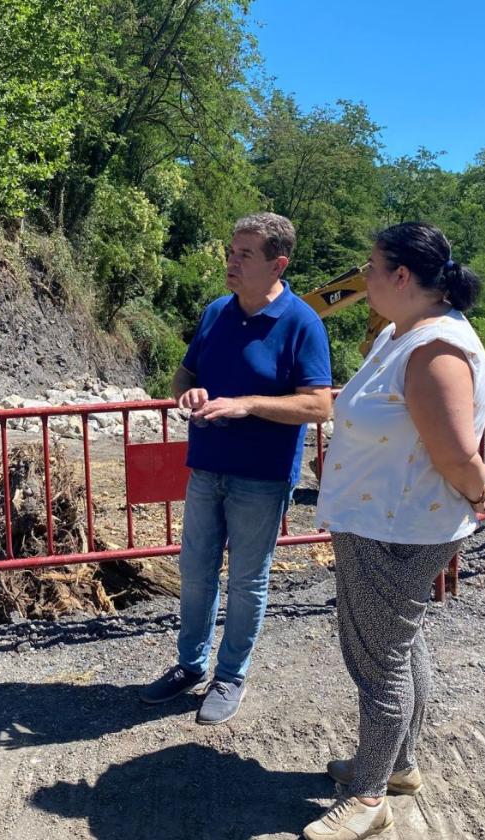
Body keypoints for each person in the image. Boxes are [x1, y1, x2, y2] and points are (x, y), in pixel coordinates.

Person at [304, 222, 485, 840]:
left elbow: (456, 455)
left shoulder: (433, 351)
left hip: (397, 527)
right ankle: (398, 765)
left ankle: (368, 797)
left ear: (402, 277)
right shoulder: (402, 333)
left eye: (370, 267)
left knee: (376, 658)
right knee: (400, 644)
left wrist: (479, 495)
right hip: (387, 517)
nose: (363, 279)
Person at [138, 212, 333, 724]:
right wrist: (190, 393)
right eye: (231, 251)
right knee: (195, 573)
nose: (232, 261)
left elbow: (318, 406)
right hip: (206, 467)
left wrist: (247, 404)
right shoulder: (216, 312)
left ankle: (230, 676)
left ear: (278, 264)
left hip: (262, 477)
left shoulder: (301, 322)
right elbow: (184, 376)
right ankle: (189, 666)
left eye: (245, 254)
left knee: (248, 580)